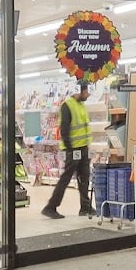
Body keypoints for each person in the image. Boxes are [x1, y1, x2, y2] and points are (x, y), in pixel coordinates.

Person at [42, 82, 95, 219]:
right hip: (72, 149)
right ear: (80, 91)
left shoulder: (81, 105)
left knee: (84, 178)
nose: (88, 95)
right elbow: (64, 130)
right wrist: (71, 150)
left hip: (83, 148)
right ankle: (50, 207)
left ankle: (85, 207)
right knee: (65, 179)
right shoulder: (67, 105)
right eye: (86, 92)